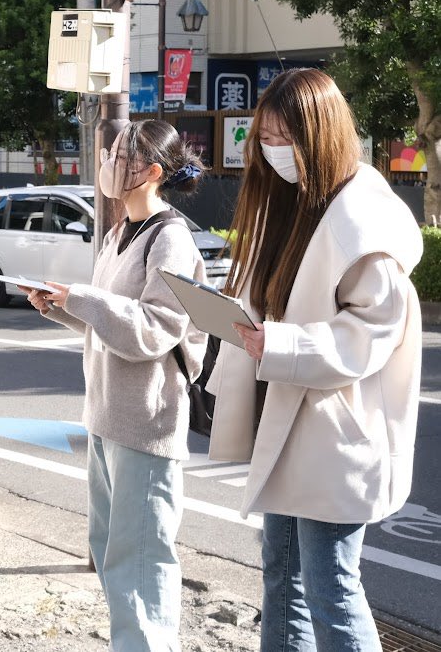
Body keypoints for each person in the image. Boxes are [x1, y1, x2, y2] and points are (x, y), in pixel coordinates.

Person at [206, 68, 423, 652]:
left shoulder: (358, 217)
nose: (273, 151)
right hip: (296, 423)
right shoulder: (295, 203)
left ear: (319, 135)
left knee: (328, 587)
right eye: (265, 138)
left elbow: (372, 331)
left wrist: (277, 345)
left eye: (284, 138)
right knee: (284, 581)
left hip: (335, 432)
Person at [25, 119, 208, 651]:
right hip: (107, 417)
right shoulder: (118, 232)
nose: (107, 160)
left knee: (142, 561)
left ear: (151, 171)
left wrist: (80, 299)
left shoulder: (170, 237)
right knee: (111, 551)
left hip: (147, 423)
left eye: (119, 154)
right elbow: (110, 322)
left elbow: (155, 328)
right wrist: (61, 307)